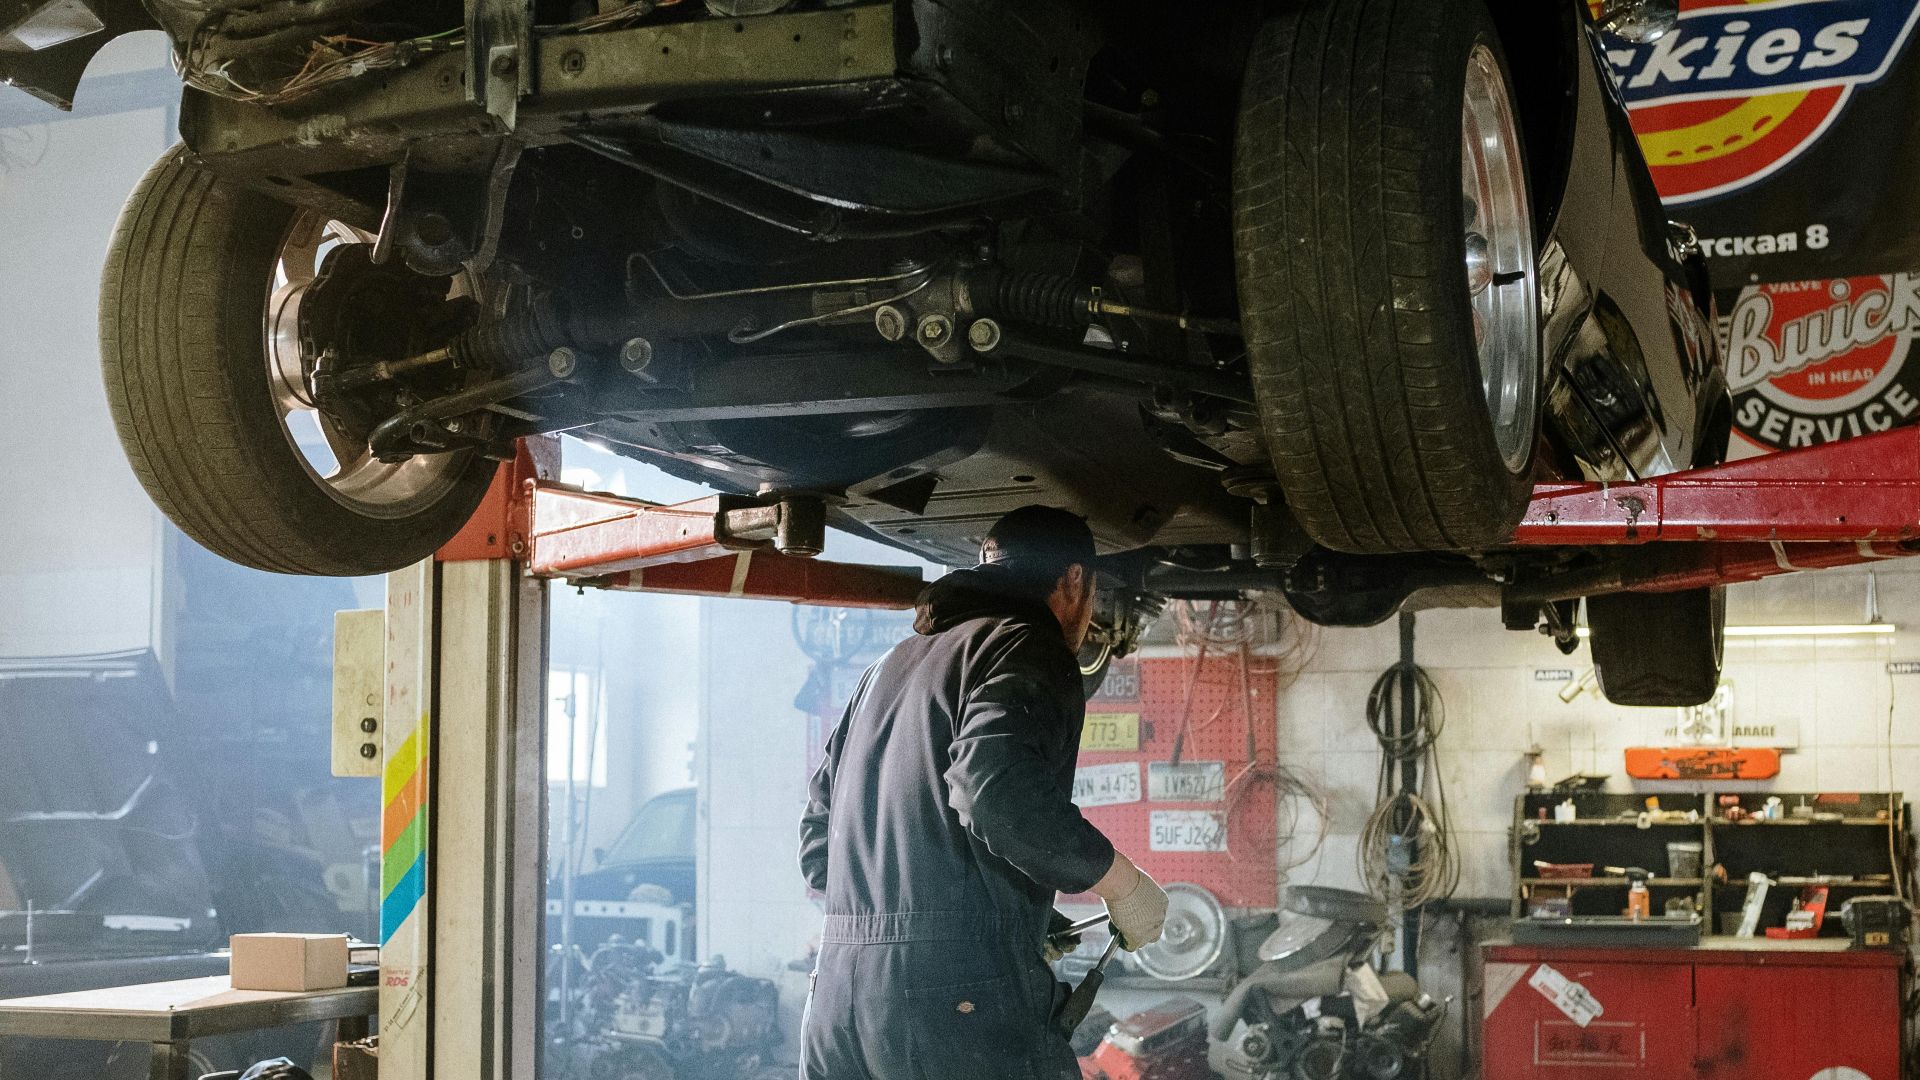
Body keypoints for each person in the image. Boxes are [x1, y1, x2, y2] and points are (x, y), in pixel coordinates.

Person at [798, 505, 1169, 1080]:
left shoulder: (886, 668)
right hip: (951, 1005)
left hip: (837, 999)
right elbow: (995, 792)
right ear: (1074, 581)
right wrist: (1121, 884)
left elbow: (819, 850)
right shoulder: (1026, 645)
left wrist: (993, 909)